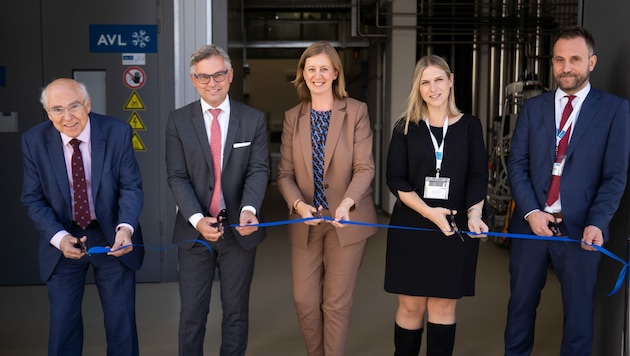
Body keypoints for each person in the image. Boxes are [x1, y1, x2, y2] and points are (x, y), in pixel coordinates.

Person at [505, 26, 630, 356]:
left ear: (592, 62)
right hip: (531, 226)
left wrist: (597, 222)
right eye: (559, 60)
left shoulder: (614, 110)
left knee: (578, 320)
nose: (566, 67)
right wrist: (531, 212)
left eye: (575, 59)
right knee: (519, 312)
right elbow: (516, 164)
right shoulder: (533, 109)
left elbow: (615, 176)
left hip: (580, 229)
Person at [21, 78, 144, 355]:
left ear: (88, 104)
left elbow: (130, 187)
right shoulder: (33, 141)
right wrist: (60, 238)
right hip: (64, 237)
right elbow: (32, 198)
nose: (67, 117)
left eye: (74, 106)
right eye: (57, 109)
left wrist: (125, 229)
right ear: (47, 112)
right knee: (64, 324)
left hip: (112, 234)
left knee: (120, 322)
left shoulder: (117, 132)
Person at [165, 44, 269, 356]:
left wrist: (249, 209)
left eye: (219, 74)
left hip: (240, 231)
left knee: (236, 313)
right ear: (193, 80)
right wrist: (197, 219)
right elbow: (177, 176)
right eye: (203, 77)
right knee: (193, 314)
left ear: (231, 75)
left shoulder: (253, 120)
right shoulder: (178, 121)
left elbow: (259, 169)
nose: (212, 83)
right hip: (194, 232)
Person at [276, 40, 378, 356]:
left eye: (324, 69)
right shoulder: (293, 117)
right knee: (305, 300)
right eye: (311, 69)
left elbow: (364, 167)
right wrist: (298, 205)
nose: (317, 75)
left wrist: (347, 202)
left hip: (346, 220)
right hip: (306, 220)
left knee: (335, 302)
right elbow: (284, 175)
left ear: (335, 73)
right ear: (302, 74)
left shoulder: (356, 111)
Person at [384, 55, 489, 356]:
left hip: (455, 229)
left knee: (443, 305)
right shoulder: (406, 127)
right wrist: (430, 213)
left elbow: (478, 175)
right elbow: (396, 179)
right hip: (412, 225)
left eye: (438, 80)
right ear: (418, 87)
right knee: (411, 304)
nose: (433, 88)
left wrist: (475, 214)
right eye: (425, 82)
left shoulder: (470, 126)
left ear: (451, 80)